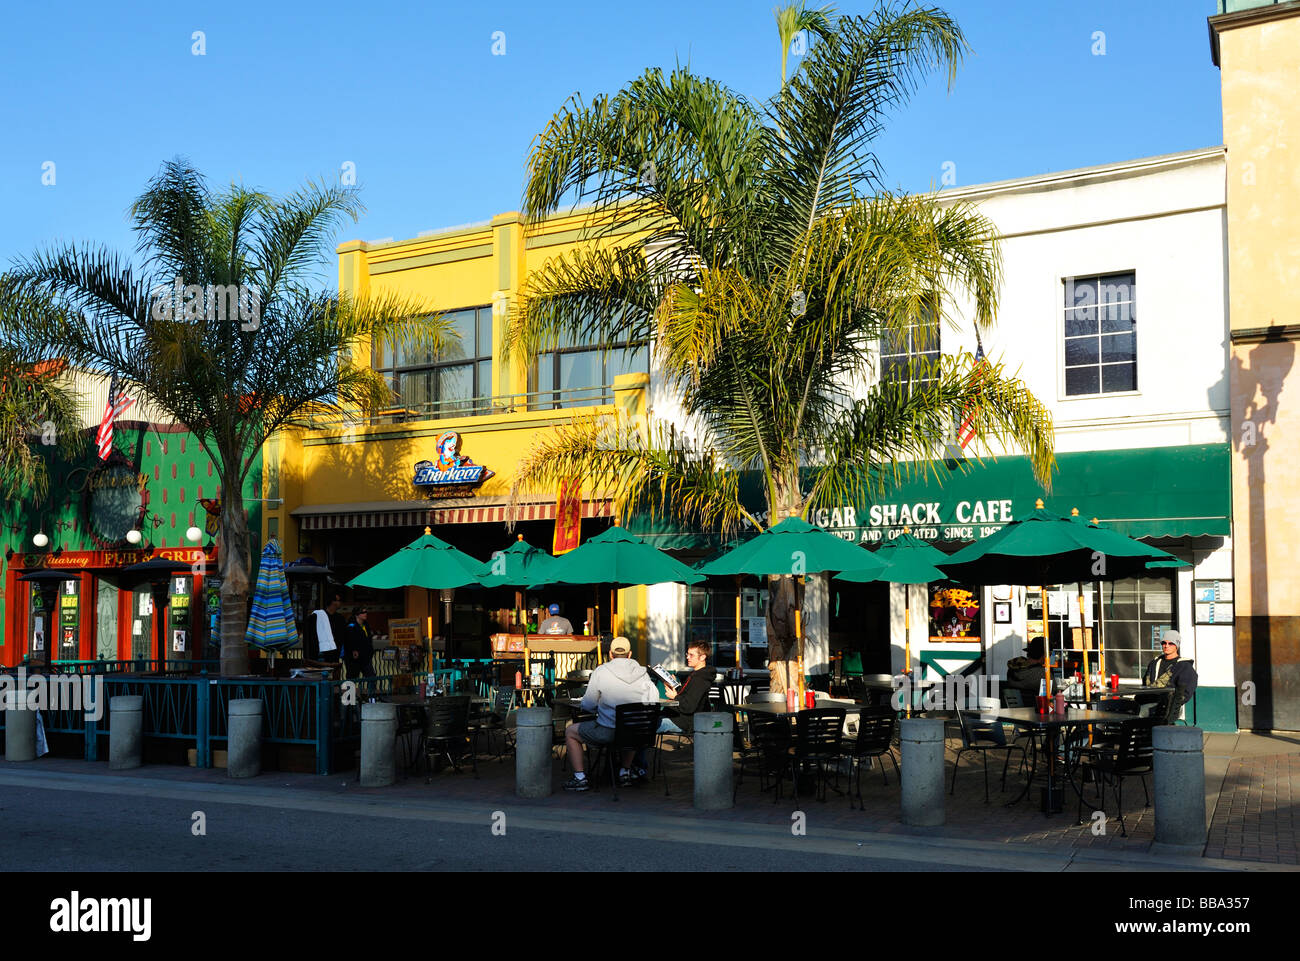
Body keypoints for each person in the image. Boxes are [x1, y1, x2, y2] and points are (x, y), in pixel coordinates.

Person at [562, 636, 657, 792]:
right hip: (638, 733)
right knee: (630, 727)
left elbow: (588, 705)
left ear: (610, 654)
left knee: (570, 731)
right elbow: (652, 701)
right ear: (630, 654)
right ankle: (624, 771)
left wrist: (600, 707)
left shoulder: (601, 671)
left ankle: (580, 778)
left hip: (608, 733)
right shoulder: (643, 674)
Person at [631, 640, 714, 783]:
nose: (687, 657)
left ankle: (636, 767)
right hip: (678, 716)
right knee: (643, 724)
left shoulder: (701, 678)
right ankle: (635, 766)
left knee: (642, 727)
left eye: (691, 655)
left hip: (683, 721)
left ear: (703, 657)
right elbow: (688, 698)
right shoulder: (697, 675)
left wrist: (675, 696)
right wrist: (677, 686)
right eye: (687, 654)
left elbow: (688, 706)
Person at [1144, 629, 1198, 721]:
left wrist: (1172, 705)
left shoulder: (1184, 666)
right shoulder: (1154, 662)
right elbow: (1145, 683)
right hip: (1148, 701)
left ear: (1177, 646)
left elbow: (1186, 691)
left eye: (1171, 643)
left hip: (1168, 706)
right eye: (1164, 643)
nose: (1166, 646)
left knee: (1141, 713)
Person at [303, 594, 345, 664]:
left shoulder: (340, 618)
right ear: (332, 602)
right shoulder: (316, 617)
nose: (340, 602)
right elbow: (309, 637)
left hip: (335, 655)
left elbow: (343, 636)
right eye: (339, 600)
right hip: (320, 655)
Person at [344, 607, 375, 681]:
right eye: (363, 612)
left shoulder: (366, 625)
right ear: (357, 615)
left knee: (372, 678)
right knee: (352, 679)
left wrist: (370, 652)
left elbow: (368, 641)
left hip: (366, 657)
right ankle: (349, 692)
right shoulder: (351, 626)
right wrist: (353, 650)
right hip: (354, 658)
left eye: (366, 612)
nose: (365, 614)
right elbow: (348, 641)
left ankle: (370, 692)